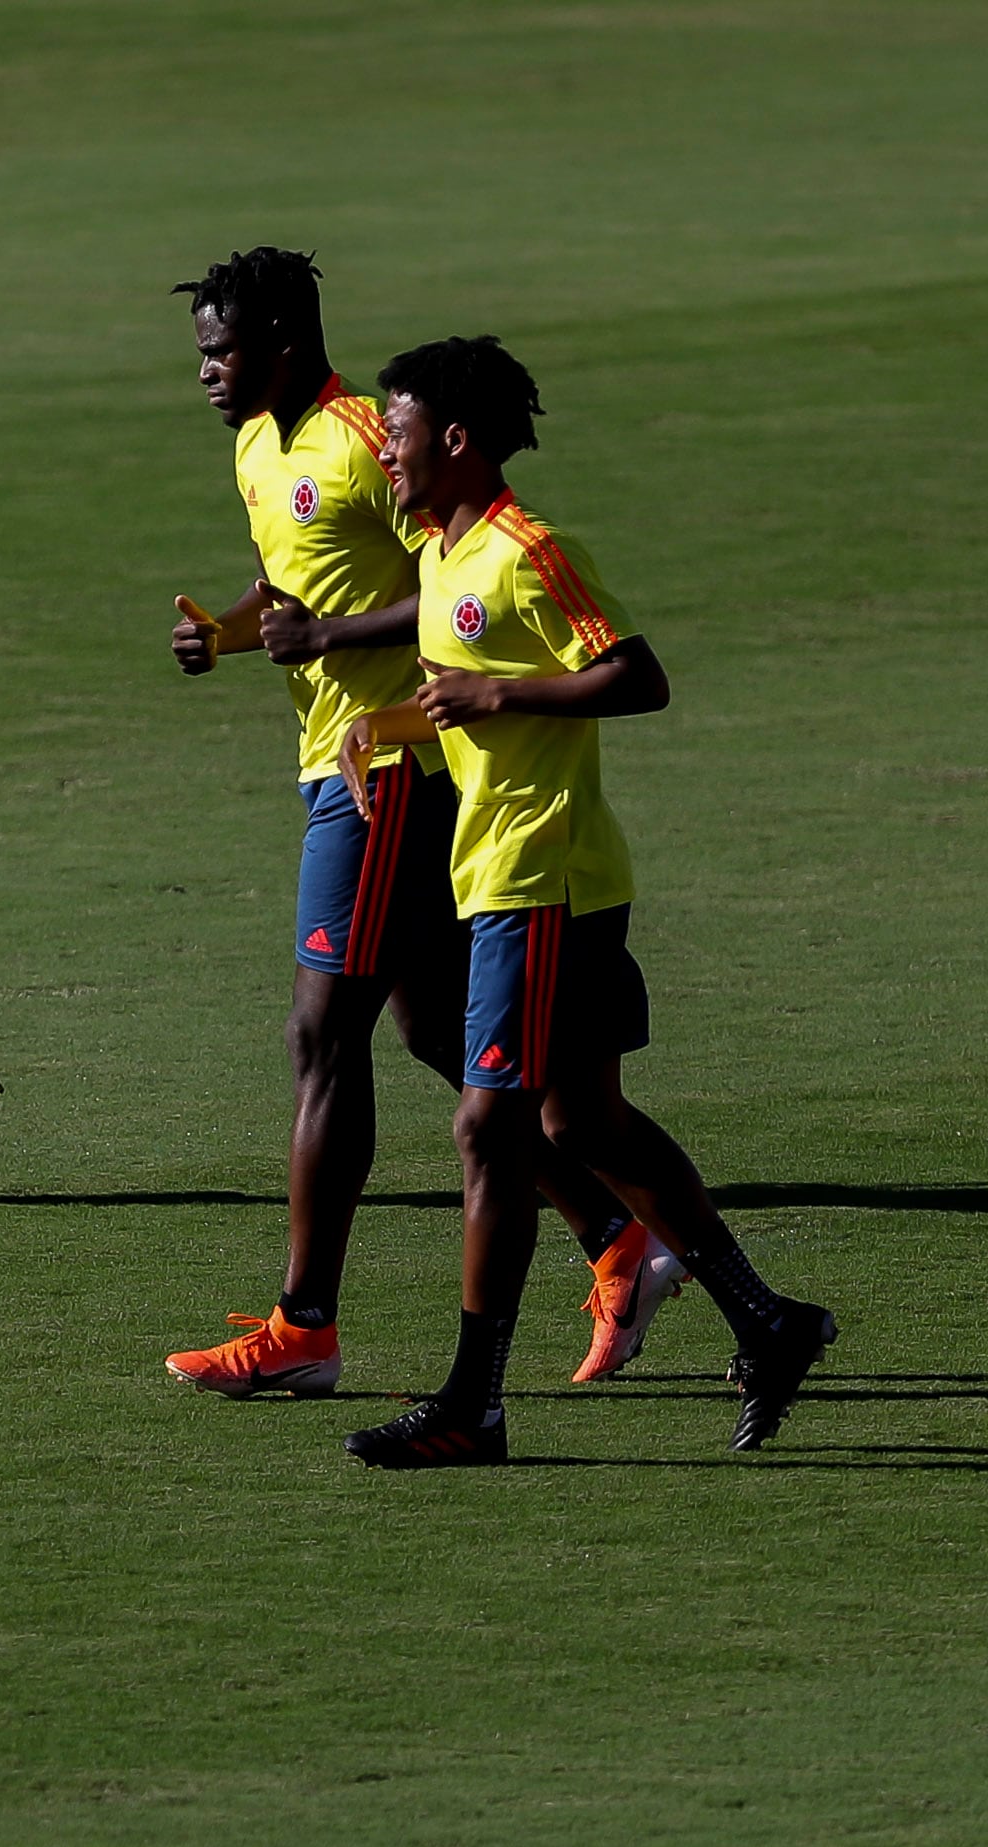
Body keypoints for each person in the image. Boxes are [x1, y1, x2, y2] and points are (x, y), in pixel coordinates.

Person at [156, 251, 685, 1400]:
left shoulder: (360, 433)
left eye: (221, 350)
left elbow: (442, 573)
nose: (203, 371)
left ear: (287, 345)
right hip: (332, 758)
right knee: (435, 1026)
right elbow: (295, 590)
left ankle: (306, 1327)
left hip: (395, 764)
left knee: (320, 1032)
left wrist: (340, 646)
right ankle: (616, 1235)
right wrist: (235, 634)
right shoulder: (256, 442)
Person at [332, 335, 839, 1467]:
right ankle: (768, 1319)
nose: (388, 459)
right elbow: (467, 699)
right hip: (504, 876)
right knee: (583, 1122)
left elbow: (638, 676)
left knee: (489, 1126)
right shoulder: (443, 552)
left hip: (545, 878)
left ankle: (473, 1401)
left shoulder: (530, 550)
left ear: (454, 441)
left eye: (400, 437)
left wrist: (497, 688)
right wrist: (395, 721)